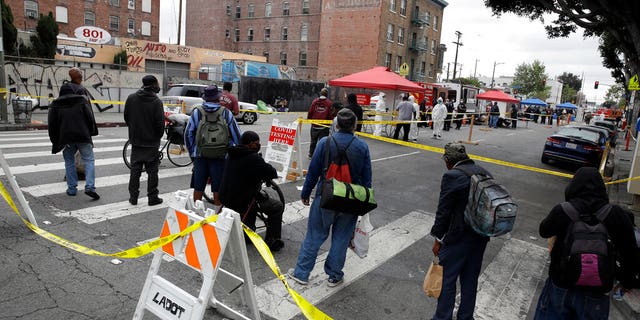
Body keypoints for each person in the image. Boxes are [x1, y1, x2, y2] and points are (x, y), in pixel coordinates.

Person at [534, 167, 637, 319]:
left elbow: (544, 230)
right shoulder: (615, 214)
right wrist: (627, 282)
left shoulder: (564, 210)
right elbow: (630, 251)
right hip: (596, 292)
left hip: (561, 284)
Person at [288, 109, 372, 287]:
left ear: (336, 124)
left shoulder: (324, 143)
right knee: (341, 239)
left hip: (325, 197)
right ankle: (334, 275)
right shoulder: (362, 146)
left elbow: (313, 172)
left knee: (314, 236)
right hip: (350, 200)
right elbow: (367, 179)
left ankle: (302, 274)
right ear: (354, 125)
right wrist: (363, 204)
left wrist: (305, 193)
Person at [430, 143, 490, 320]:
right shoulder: (483, 172)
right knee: (470, 281)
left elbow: (444, 211)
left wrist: (437, 239)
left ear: (448, 160)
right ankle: (466, 317)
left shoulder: (452, 176)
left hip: (458, 237)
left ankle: (443, 317)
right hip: (480, 236)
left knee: (448, 279)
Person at [219, 131, 284, 251]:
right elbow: (271, 172)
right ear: (249, 144)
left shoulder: (232, 154)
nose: (258, 145)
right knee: (277, 206)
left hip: (225, 197)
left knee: (252, 201)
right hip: (242, 200)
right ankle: (272, 240)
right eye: (256, 143)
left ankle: (247, 230)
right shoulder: (252, 158)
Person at [185, 85, 242, 206]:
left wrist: (193, 153)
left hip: (200, 155)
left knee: (198, 187)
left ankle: (197, 214)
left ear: (205, 98)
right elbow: (237, 135)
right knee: (218, 188)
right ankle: (217, 216)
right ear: (218, 98)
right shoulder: (226, 113)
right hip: (221, 156)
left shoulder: (197, 113)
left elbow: (188, 135)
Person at [48, 75, 99, 200]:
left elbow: (52, 125)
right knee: (89, 160)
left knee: (69, 162)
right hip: (83, 135)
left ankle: (72, 189)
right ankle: (90, 187)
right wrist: (91, 133)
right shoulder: (82, 101)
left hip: (66, 138)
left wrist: (55, 141)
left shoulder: (55, 104)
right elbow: (90, 118)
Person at [124, 75, 165, 206]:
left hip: (136, 140)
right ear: (154, 85)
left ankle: (133, 197)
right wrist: (157, 136)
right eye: (157, 84)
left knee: (135, 170)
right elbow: (160, 124)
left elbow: (127, 118)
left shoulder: (131, 98)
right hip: (151, 142)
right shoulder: (157, 102)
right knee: (152, 171)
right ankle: (152, 197)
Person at [307, 87, 333, 158]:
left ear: (320, 93)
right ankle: (321, 156)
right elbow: (330, 114)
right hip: (324, 127)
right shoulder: (329, 103)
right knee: (323, 142)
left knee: (313, 141)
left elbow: (310, 112)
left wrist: (309, 119)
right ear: (327, 95)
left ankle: (311, 154)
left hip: (315, 125)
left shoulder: (315, 101)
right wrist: (330, 122)